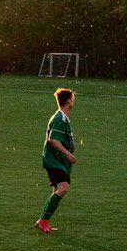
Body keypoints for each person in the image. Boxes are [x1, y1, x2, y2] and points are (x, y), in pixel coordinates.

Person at [36, 87, 76, 232]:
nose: (73, 102)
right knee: (63, 188)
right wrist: (68, 154)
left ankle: (43, 220)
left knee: (57, 190)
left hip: (59, 161)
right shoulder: (59, 118)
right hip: (54, 160)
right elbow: (53, 140)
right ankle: (43, 220)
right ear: (67, 101)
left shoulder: (63, 118)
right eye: (72, 99)